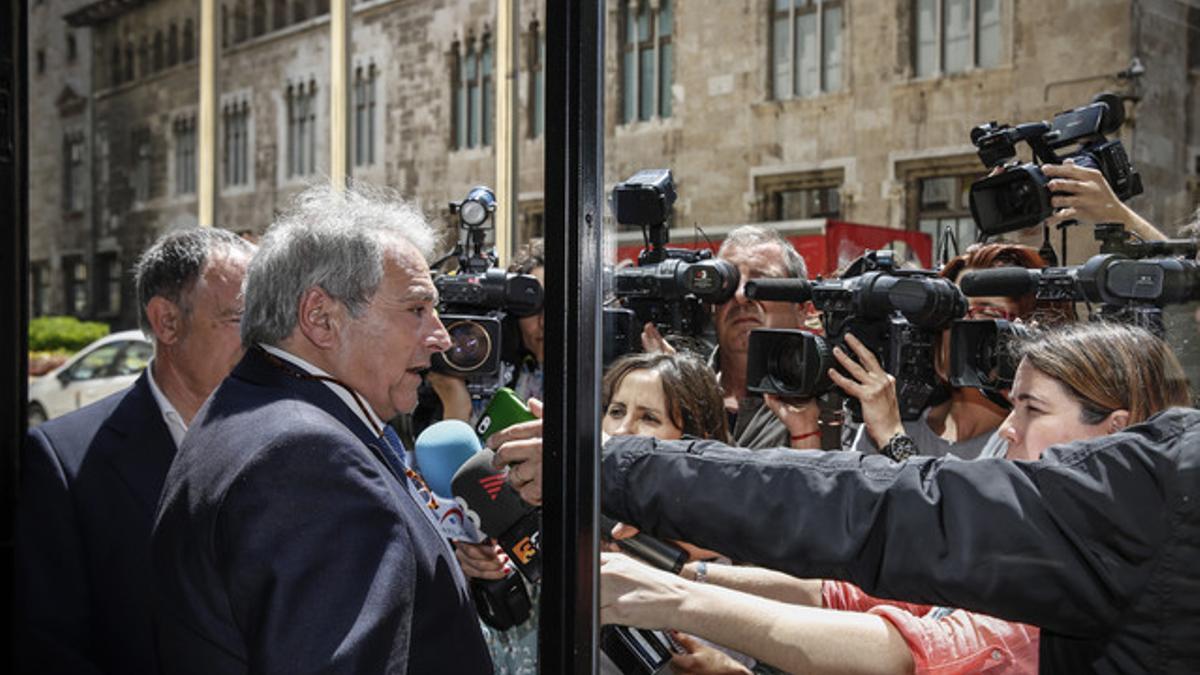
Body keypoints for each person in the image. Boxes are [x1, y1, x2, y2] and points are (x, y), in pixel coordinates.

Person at [599, 322, 1198, 671]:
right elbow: (841, 596)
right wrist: (673, 572)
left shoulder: (1079, 564)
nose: (1008, 428)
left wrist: (672, 598)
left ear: (1117, 432)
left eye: (1031, 408)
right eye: (1011, 403)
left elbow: (910, 655)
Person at [150, 184, 493, 673]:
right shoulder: (305, 458)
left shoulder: (259, 411)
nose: (440, 337)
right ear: (321, 318)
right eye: (417, 309)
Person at [16, 227, 254, 675]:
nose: (261, 341)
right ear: (166, 321)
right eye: (240, 318)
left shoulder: (292, 439)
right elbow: (46, 645)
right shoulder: (66, 462)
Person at [459, 351, 736, 673]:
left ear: (693, 443)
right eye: (616, 411)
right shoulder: (565, 526)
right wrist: (490, 575)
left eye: (649, 418)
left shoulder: (720, 561)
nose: (622, 430)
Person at [829, 244, 1065, 460]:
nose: (956, 329)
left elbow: (951, 504)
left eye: (984, 314)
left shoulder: (1023, 437)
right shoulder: (897, 415)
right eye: (949, 312)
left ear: (1025, 333)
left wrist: (893, 439)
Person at [705, 225, 817, 450]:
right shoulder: (675, 395)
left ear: (802, 310)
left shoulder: (826, 406)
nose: (740, 296)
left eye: (761, 281)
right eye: (728, 283)